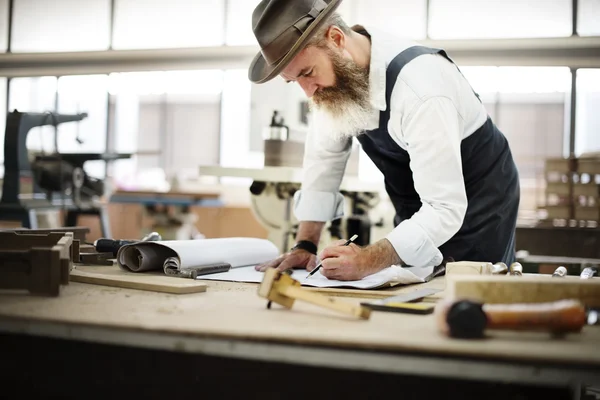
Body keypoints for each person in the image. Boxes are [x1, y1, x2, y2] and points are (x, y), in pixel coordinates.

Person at [248, 0, 520, 281]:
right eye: (294, 81)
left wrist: (369, 259)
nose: (308, 92)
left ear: (336, 39)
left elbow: (444, 206)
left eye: (307, 73)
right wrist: (305, 243)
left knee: (469, 292)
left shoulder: (422, 88)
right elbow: (323, 164)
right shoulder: (330, 86)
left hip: (479, 200)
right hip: (415, 202)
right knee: (409, 287)